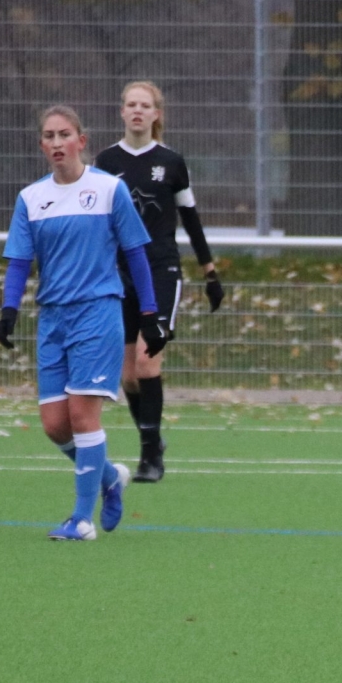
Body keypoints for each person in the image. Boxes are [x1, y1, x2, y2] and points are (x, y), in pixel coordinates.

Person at [0, 104, 164, 541]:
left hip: (98, 311)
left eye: (64, 135)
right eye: (48, 136)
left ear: (81, 141)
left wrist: (149, 316)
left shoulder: (109, 190)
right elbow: (18, 261)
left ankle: (81, 519)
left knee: (82, 415)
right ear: (41, 144)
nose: (56, 143)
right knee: (55, 425)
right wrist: (9, 310)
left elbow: (136, 255)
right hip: (53, 319)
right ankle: (109, 477)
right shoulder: (31, 198)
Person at [94, 80, 224, 482]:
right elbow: (95, 223)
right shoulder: (106, 160)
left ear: (156, 114)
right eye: (130, 104)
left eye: (144, 105)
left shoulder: (171, 162)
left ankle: (151, 457)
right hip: (120, 276)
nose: (137, 111)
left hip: (161, 271)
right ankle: (152, 439)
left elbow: (191, 220)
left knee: (148, 363)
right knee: (127, 376)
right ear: (122, 112)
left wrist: (210, 272)